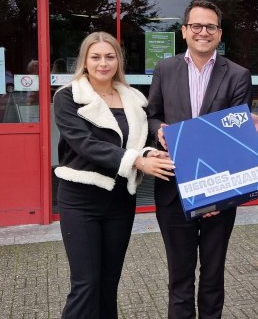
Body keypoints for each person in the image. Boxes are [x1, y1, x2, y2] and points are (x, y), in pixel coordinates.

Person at [54, 31, 175, 319]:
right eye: (95, 57)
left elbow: (138, 142)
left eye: (109, 57)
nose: (103, 63)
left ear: (118, 61)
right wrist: (138, 161)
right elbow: (86, 145)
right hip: (81, 199)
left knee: (109, 283)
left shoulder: (134, 98)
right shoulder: (68, 97)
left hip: (120, 200)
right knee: (86, 284)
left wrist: (149, 154)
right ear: (84, 61)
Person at [146, 0, 253, 319]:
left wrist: (214, 196)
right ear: (184, 31)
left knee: (212, 278)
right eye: (196, 26)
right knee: (179, 280)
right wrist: (158, 131)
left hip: (220, 192)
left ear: (219, 34)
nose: (203, 32)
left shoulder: (237, 75)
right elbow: (152, 114)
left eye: (210, 26)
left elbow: (236, 138)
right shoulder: (165, 69)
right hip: (173, 192)